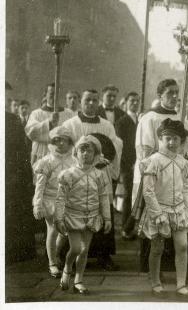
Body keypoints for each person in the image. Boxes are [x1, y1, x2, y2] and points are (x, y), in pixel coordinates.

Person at [130, 79, 188, 275]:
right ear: (159, 95)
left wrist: (187, 157)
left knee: (180, 220)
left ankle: (181, 267)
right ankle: (152, 268)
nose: (174, 96)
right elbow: (144, 152)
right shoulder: (149, 118)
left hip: (177, 176)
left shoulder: (182, 117)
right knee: (154, 220)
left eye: (177, 92)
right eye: (170, 92)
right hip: (156, 175)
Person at [62, 89, 123, 271]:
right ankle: (70, 257)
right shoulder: (70, 124)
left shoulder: (107, 125)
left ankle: (103, 257)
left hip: (100, 175)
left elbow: (115, 147)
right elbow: (64, 149)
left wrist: (105, 159)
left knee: (102, 212)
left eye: (94, 101)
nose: (91, 104)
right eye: (87, 100)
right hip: (77, 175)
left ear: (99, 103)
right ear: (81, 102)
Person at [139, 119, 188, 296]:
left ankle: (181, 284)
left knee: (182, 246)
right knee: (157, 248)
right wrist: (157, 214)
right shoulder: (153, 161)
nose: (171, 142)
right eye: (167, 138)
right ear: (160, 140)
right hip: (160, 210)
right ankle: (155, 281)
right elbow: (148, 191)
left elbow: (187, 190)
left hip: (179, 210)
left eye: (175, 139)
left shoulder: (184, 164)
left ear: (181, 141)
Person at [55, 135, 112, 294]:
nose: (86, 154)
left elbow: (103, 197)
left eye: (90, 151)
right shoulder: (68, 174)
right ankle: (67, 269)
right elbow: (60, 198)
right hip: (73, 216)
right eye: (82, 150)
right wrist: (59, 218)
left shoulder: (99, 174)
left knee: (85, 249)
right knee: (76, 248)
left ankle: (79, 280)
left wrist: (107, 217)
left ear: (96, 154)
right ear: (76, 153)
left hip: (92, 217)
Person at [32, 126, 78, 277]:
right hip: (50, 200)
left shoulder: (74, 160)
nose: (60, 144)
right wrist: (37, 204)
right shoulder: (47, 161)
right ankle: (52, 263)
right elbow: (40, 185)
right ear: (52, 142)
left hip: (68, 200)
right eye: (56, 141)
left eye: (64, 140)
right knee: (52, 230)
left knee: (65, 232)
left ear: (69, 141)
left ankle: (56, 255)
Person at [5, 81, 37, 263]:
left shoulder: (12, 120)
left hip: (10, 174)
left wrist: (21, 175)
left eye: (7, 99)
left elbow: (21, 151)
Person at [25, 83, 76, 166]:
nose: (55, 97)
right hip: (42, 151)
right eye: (52, 94)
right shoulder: (36, 113)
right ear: (45, 95)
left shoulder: (69, 113)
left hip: (64, 154)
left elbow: (74, 135)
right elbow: (30, 133)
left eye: (57, 94)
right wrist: (48, 123)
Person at [115, 91, 140, 239]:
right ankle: (125, 228)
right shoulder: (122, 121)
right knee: (129, 195)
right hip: (128, 164)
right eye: (132, 101)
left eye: (137, 101)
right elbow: (120, 145)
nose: (135, 103)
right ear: (126, 102)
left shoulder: (140, 119)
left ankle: (131, 226)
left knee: (138, 194)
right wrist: (129, 163)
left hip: (140, 162)